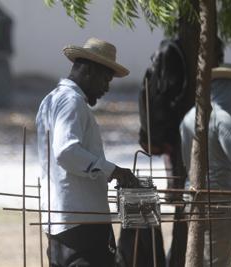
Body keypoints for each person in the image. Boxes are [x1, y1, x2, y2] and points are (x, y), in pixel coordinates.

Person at [36, 37, 139, 267]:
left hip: (64, 220)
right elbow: (66, 152)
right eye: (106, 78)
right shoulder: (71, 102)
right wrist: (114, 171)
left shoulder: (51, 100)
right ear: (90, 71)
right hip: (81, 224)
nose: (107, 87)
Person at [180, 63, 231, 267]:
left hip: (192, 197)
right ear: (229, 89)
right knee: (217, 262)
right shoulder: (222, 118)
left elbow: (185, 161)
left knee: (197, 259)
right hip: (218, 201)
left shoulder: (190, 116)